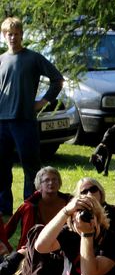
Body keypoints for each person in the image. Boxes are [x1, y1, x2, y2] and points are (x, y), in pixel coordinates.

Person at [0, 17, 64, 215]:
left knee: (31, 168)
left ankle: (31, 207)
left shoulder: (33, 58)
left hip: (24, 121)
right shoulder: (1, 59)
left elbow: (57, 79)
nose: (13, 37)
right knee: (2, 168)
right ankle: (4, 209)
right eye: (9, 34)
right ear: (4, 36)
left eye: (16, 34)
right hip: (2, 122)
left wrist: (43, 102)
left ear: (22, 35)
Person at [0, 166, 70, 275]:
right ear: (39, 185)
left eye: (55, 179)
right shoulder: (28, 206)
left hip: (61, 249)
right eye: (46, 180)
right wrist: (5, 247)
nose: (51, 183)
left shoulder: (70, 204)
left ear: (59, 183)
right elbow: (8, 229)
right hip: (30, 249)